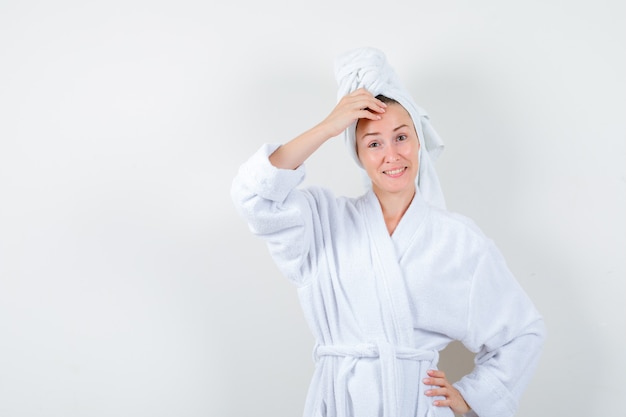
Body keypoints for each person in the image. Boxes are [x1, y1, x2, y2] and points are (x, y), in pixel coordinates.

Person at [230, 47, 545, 417]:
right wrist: (329, 127)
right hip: (339, 405)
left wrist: (471, 397)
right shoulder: (322, 221)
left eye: (401, 136)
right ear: (359, 155)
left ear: (418, 140)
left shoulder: (459, 241)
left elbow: (522, 332)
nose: (392, 155)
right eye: (373, 143)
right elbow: (254, 196)